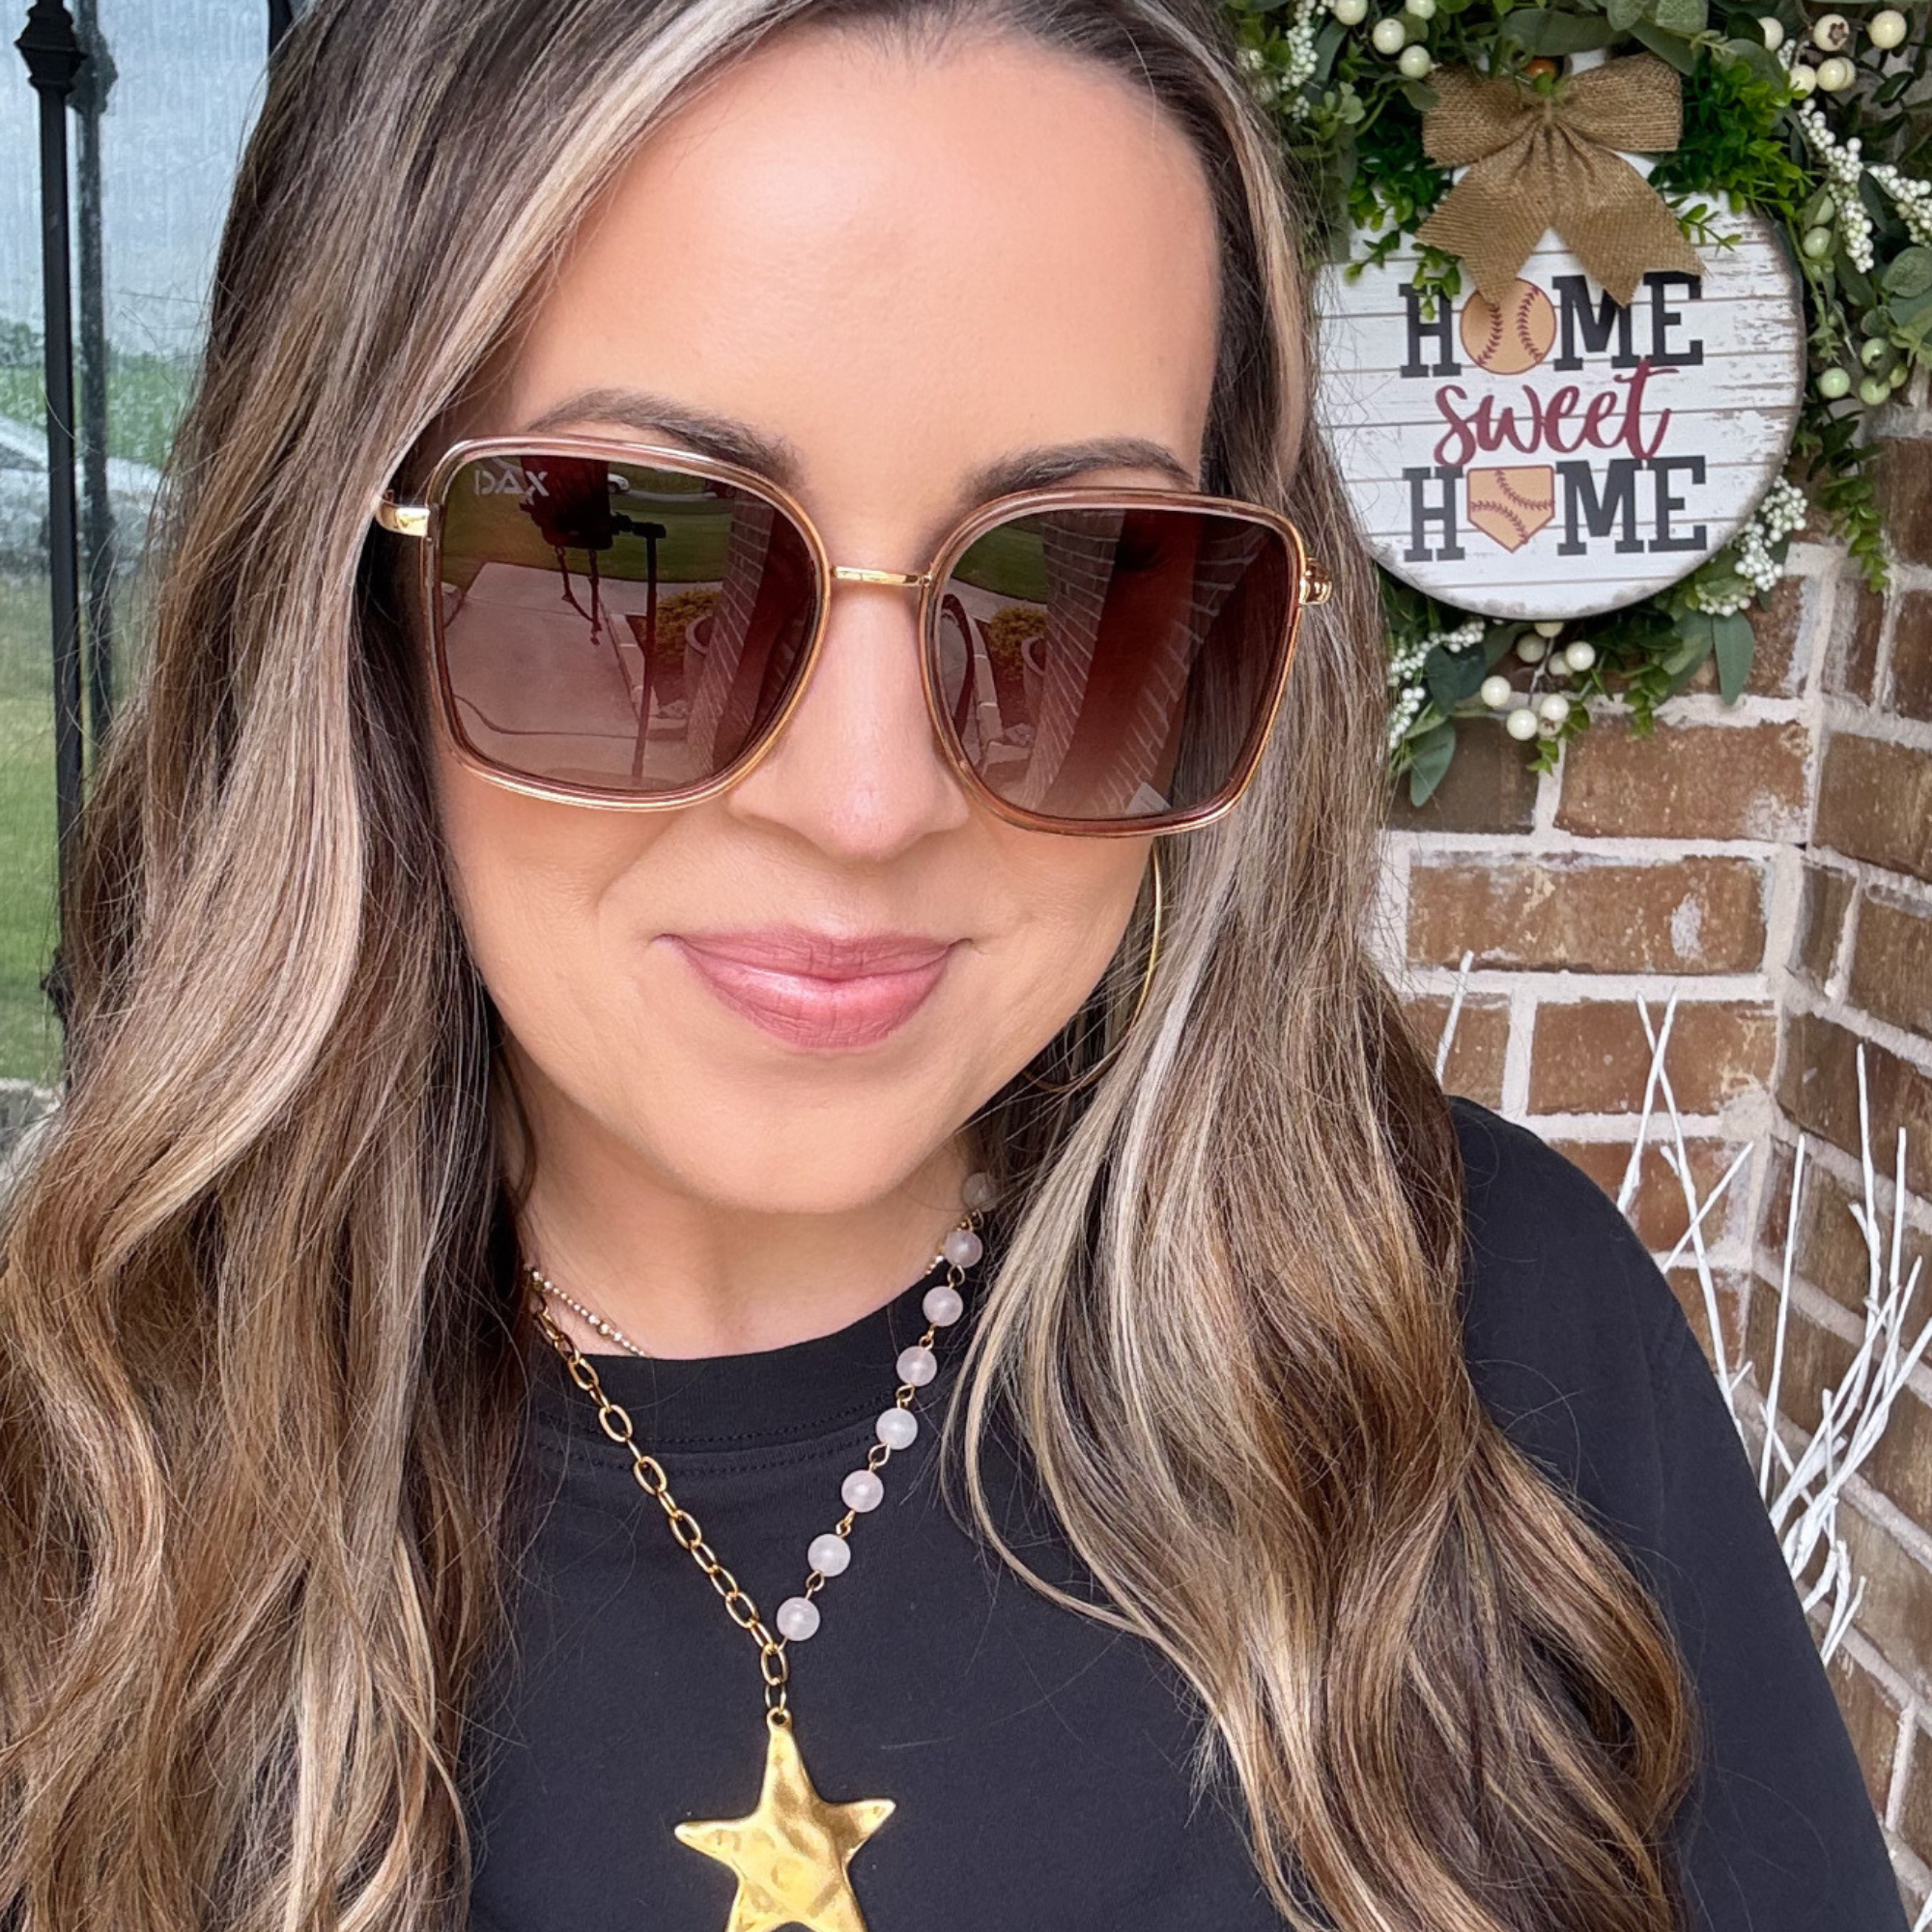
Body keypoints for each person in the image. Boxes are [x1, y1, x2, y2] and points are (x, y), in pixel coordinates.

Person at [0, 0, 1905, 1928]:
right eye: (630, 563)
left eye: (1084, 580)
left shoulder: (1499, 1350)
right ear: (353, 600)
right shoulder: (73, 1478)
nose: (865, 800)